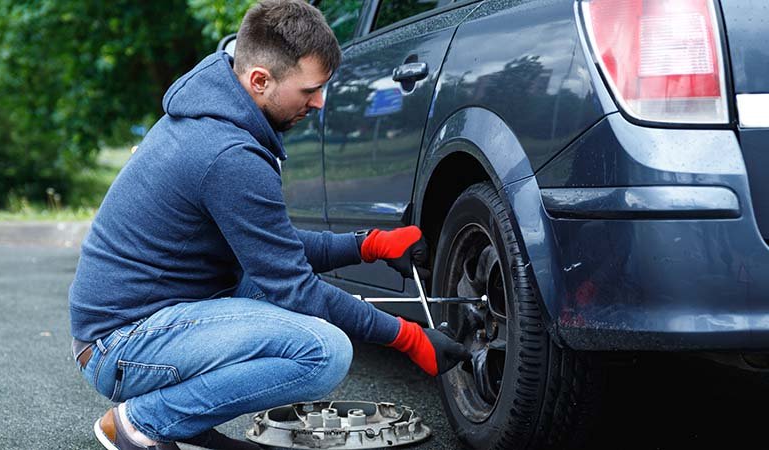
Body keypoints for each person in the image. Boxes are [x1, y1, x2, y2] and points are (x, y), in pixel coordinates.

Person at [68, 1, 471, 449]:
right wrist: (406, 337)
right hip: (120, 344)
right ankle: (141, 423)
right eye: (309, 90)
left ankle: (177, 418)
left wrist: (368, 245)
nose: (319, 102)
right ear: (260, 80)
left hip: (148, 321)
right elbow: (296, 288)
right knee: (323, 352)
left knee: (271, 291)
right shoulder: (228, 154)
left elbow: (275, 249)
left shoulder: (216, 119)